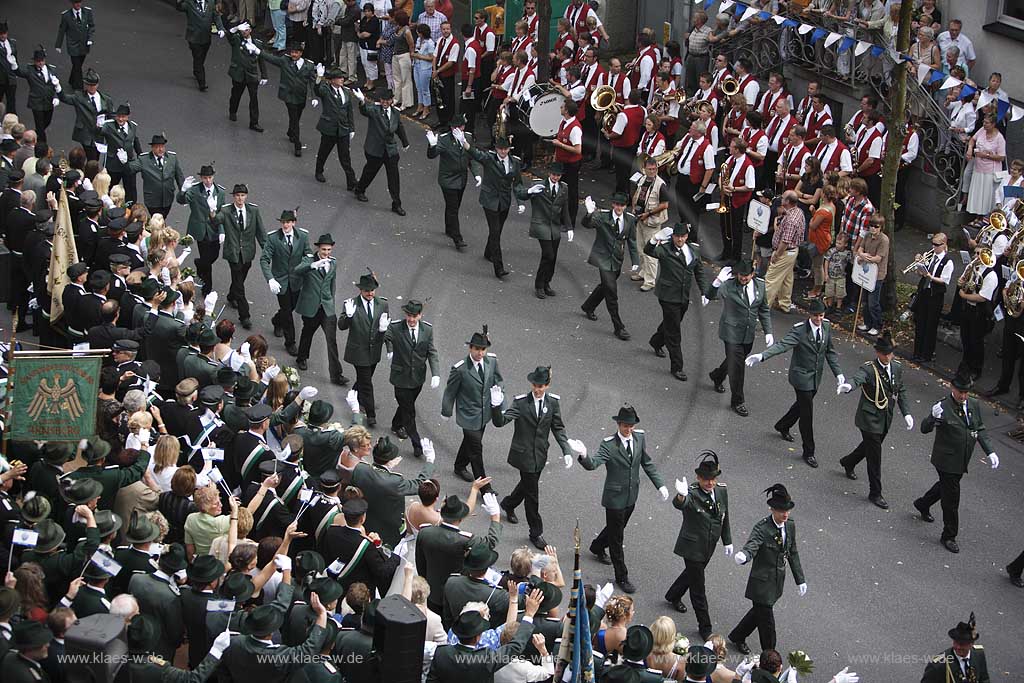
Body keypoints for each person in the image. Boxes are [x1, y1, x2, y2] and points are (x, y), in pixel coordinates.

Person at [576, 404, 668, 593]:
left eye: (631, 425)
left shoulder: (639, 438)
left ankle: (597, 546)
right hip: (614, 499)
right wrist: (584, 455)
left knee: (617, 527)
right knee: (617, 538)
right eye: (625, 425)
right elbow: (593, 464)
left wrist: (660, 484)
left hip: (631, 495)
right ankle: (622, 576)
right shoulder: (609, 445)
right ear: (618, 424)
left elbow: (646, 463)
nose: (628, 429)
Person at [746, 299, 844, 468]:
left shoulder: (827, 326)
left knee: (801, 405)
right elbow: (783, 346)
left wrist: (839, 374)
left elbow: (830, 351)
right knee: (807, 414)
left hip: (815, 377)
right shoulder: (800, 331)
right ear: (809, 314)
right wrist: (762, 356)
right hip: (801, 378)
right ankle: (809, 451)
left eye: (821, 315)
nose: (819, 319)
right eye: (815, 316)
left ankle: (783, 425)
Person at [914, 374, 999, 554]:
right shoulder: (943, 406)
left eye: (966, 392)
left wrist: (990, 451)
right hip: (946, 460)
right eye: (960, 391)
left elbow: (979, 428)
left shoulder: (973, 404)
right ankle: (949, 535)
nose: (963, 395)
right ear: (952, 388)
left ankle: (923, 503)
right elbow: (924, 428)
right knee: (952, 498)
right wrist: (932, 417)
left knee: (946, 487)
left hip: (962, 459)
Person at [489, 366, 572, 550]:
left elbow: (558, 427)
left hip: (540, 454)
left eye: (541, 385)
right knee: (532, 494)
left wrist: (566, 449)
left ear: (547, 386)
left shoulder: (553, 403)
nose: (537, 389)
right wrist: (496, 407)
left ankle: (508, 504)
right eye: (535, 385)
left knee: (527, 486)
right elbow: (500, 422)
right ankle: (536, 532)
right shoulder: (520, 403)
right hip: (524, 456)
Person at [728, 484, 806, 655]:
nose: (785, 514)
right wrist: (745, 555)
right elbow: (753, 544)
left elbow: (793, 552)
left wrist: (800, 579)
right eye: (781, 510)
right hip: (761, 584)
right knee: (767, 623)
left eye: (787, 510)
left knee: (758, 613)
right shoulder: (762, 528)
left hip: (776, 582)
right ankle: (770, 656)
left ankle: (737, 636)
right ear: (771, 509)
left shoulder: (790, 525)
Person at [837, 332, 912, 510]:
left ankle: (849, 461)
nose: (888, 357)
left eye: (890, 353)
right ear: (877, 353)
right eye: (884, 354)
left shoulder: (897, 367)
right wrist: (849, 386)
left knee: (870, 447)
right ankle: (875, 492)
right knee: (875, 456)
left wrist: (907, 413)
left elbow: (900, 390)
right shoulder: (869, 369)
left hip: (885, 417)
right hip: (869, 418)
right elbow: (858, 379)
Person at [664, 451, 731, 641]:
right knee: (698, 587)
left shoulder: (721, 491)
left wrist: (727, 540)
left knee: (693, 575)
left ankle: (673, 595)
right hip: (692, 547)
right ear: (698, 478)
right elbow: (681, 504)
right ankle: (705, 627)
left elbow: (724, 517)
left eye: (713, 479)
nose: (710, 483)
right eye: (706, 479)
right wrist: (680, 495)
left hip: (709, 545)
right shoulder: (692, 493)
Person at [427, 586, 542, 682]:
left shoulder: (440, 653)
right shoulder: (485, 659)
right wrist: (529, 615)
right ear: (478, 637)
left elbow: (431, 680)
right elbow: (515, 646)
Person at [706, 260, 774, 417]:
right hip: (731, 332)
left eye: (746, 275)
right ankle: (738, 401)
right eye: (741, 275)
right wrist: (717, 281)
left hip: (747, 333)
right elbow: (710, 295)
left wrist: (768, 331)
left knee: (734, 360)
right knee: (738, 367)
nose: (743, 278)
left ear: (752, 274)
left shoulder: (760, 285)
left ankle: (717, 375)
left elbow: (763, 309)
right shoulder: (729, 286)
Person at [645, 223, 708, 381]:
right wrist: (654, 239)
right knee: (674, 331)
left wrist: (705, 292)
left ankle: (656, 341)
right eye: (677, 236)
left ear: (687, 237)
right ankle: (677, 366)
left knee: (671, 322)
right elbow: (649, 251)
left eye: (682, 236)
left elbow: (699, 271)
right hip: (667, 296)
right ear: (672, 236)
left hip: (683, 296)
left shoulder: (694, 249)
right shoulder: (665, 249)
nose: (679, 239)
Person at [442, 326, 502, 481]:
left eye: (483, 349)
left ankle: (459, 466)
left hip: (484, 414)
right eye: (477, 349)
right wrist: (446, 411)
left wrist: (498, 394)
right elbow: (450, 391)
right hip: (467, 416)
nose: (480, 353)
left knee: (470, 443)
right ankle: (484, 487)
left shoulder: (491, 362)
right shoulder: (460, 369)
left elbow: (498, 380)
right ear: (470, 348)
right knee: (476, 450)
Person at [580, 192, 640, 341]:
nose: (619, 207)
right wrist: (589, 213)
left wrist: (636, 261)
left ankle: (588, 306)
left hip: (617, 259)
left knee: (605, 287)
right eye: (617, 204)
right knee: (611, 293)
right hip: (602, 258)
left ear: (625, 206)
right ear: (613, 204)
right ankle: (619, 327)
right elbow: (587, 224)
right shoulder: (602, 216)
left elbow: (632, 241)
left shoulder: (630, 220)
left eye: (622, 205)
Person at [384, 299, 440, 455]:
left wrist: (435, 373)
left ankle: (396, 424)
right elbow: (384, 337)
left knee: (406, 404)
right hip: (400, 378)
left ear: (420, 315)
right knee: (409, 411)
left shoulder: (427, 330)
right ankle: (417, 444)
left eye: (414, 316)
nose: (411, 319)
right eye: (409, 315)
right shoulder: (396, 327)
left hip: (417, 378)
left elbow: (431, 351)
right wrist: (388, 346)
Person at [463, 135, 524, 279]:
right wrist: (465, 143)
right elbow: (476, 154)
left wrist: (521, 202)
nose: (503, 151)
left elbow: (518, 184)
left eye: (505, 149)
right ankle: (499, 268)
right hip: (490, 200)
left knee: (498, 230)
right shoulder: (490, 158)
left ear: (509, 149)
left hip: (504, 201)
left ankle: (488, 252)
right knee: (495, 232)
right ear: (496, 149)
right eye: (500, 149)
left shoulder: (514, 163)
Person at [338, 271, 390, 428]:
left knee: (364, 378)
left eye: (372, 290)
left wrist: (386, 338)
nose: (370, 293)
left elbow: (387, 325)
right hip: (359, 351)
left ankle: (353, 394)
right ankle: (371, 413)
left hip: (374, 350)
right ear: (360, 290)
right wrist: (348, 316)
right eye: (367, 291)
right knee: (367, 382)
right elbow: (341, 326)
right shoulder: (351, 304)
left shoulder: (382, 304)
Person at [295, 233, 348, 386]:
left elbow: (332, 283)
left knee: (331, 340)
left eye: (329, 249)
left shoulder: (333, 263)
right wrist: (311, 266)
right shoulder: (309, 260)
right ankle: (302, 357)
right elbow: (297, 270)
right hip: (311, 305)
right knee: (308, 332)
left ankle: (336, 375)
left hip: (326, 307)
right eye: (324, 249)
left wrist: (331, 300)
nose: (326, 253)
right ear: (318, 248)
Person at [213, 183, 266, 330]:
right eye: (237, 195)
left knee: (240, 278)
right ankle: (245, 316)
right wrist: (212, 212)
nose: (240, 198)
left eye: (242, 195)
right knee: (239, 282)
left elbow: (260, 232)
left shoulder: (253, 211)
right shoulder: (226, 210)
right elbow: (217, 220)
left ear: (246, 196)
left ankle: (231, 295)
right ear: (233, 197)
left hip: (248, 252)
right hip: (233, 252)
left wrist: (267, 251)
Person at [516, 162, 571, 299]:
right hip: (541, 224)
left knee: (553, 257)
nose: (555, 177)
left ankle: (546, 283)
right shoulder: (540, 185)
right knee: (548, 254)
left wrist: (569, 227)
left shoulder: (563, 188)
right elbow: (521, 194)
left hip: (554, 227)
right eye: (553, 174)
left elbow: (565, 209)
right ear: (549, 173)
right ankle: (539, 285)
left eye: (558, 175)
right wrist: (529, 191)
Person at [352, 87, 410, 216]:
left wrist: (405, 142)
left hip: (390, 150)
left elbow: (399, 127)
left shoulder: (395, 112)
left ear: (391, 100)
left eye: (387, 100)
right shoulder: (375, 110)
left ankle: (397, 204)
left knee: (394, 178)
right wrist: (362, 101)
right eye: (382, 99)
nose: (384, 102)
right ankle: (360, 189)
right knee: (369, 172)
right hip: (375, 149)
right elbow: (365, 110)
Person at [261, 208, 310, 357]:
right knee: (287, 310)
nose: (285, 225)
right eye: (283, 222)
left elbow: (307, 254)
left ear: (294, 223)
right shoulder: (273, 238)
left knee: (292, 306)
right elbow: (264, 259)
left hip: (296, 279)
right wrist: (270, 279)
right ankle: (290, 342)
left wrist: (308, 266)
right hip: (280, 280)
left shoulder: (302, 236)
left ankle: (277, 320)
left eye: (288, 222)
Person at [425, 113, 477, 251]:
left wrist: (477, 175)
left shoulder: (468, 138)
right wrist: (432, 145)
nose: (457, 130)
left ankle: (449, 228)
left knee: (454, 206)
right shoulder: (444, 139)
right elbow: (432, 155)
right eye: (454, 127)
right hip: (448, 180)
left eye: (459, 127)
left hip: (461, 179)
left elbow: (472, 157)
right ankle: (457, 238)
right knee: (453, 208)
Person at [261, 41, 317, 157]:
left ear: (301, 53)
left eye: (296, 52)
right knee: (295, 118)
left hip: (301, 96)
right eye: (292, 52)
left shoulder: (309, 65)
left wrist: (313, 96)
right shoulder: (284, 61)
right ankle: (297, 144)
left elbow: (312, 81)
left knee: (297, 115)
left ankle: (291, 131)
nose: (293, 55)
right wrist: (258, 52)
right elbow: (271, 59)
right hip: (289, 95)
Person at [911, 232, 954, 363]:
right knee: (920, 322)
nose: (934, 247)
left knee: (930, 325)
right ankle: (917, 352)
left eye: (937, 245)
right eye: (933, 244)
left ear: (944, 245)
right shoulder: (929, 256)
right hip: (924, 292)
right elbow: (920, 273)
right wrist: (918, 264)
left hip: (935, 295)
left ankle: (926, 354)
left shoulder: (948, 262)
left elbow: (944, 280)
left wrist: (930, 277)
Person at [312, 66, 358, 188]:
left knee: (345, 158)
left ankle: (351, 181)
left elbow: (349, 112)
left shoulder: (346, 92)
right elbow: (317, 90)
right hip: (329, 128)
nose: (342, 79)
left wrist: (351, 128)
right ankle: (319, 171)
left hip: (343, 129)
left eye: (342, 77)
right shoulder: (326, 90)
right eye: (338, 78)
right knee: (324, 152)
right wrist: (319, 77)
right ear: (332, 80)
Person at [55, 68, 111, 162]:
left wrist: (108, 127)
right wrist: (58, 87)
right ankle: (91, 173)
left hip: (99, 133)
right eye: (89, 85)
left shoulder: (105, 99)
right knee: (92, 158)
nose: (92, 87)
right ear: (86, 85)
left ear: (97, 85)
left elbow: (111, 115)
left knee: (96, 157)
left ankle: (91, 172)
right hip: (86, 133)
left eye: (94, 85)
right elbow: (65, 98)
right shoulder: (79, 97)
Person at [763, 190, 806, 313]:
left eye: (783, 198)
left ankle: (763, 308)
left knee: (771, 279)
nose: (781, 199)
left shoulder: (791, 220)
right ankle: (784, 304)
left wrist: (776, 255)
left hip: (785, 252)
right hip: (792, 251)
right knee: (787, 278)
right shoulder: (797, 212)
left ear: (787, 201)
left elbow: (785, 241)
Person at [127, 133, 184, 219]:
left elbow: (179, 176)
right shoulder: (144, 159)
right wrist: (125, 162)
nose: (160, 149)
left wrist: (183, 193)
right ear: (152, 148)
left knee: (162, 218)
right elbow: (131, 169)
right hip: (152, 200)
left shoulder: (172, 158)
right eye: (157, 147)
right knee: (157, 219)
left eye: (162, 147)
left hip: (167, 198)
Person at [225, 21, 268, 133]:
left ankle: (254, 122)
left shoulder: (257, 43)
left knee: (254, 99)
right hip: (239, 72)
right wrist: (235, 28)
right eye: (242, 30)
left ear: (250, 30)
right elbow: (228, 35)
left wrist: (264, 75)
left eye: (246, 29)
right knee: (236, 94)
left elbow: (261, 59)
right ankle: (233, 111)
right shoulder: (237, 39)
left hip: (251, 74)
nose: (244, 32)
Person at [921, 614, 990, 683]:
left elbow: (984, 679)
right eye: (955, 642)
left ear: (971, 644)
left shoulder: (978, 654)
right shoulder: (938, 665)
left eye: (962, 644)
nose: (958, 647)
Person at [176, 0, 225, 92]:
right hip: (194, 37)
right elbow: (180, 8)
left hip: (206, 37)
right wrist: (179, 1)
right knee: (198, 58)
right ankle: (202, 83)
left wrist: (221, 28)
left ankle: (196, 70)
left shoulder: (210, 3)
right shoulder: (189, 3)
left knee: (201, 57)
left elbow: (216, 16)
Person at [15, 46, 60, 143]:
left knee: (47, 122)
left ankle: (33, 135)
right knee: (40, 126)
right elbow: (19, 72)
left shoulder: (52, 70)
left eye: (42, 60)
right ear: (35, 61)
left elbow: (55, 84)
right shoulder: (30, 70)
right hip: (36, 102)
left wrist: (56, 96)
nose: (40, 63)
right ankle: (42, 146)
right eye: (38, 61)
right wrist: (14, 65)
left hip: (48, 101)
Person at [965, 115, 1006, 216]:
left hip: (990, 171)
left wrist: (986, 155)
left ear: (993, 124)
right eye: (984, 122)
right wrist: (970, 149)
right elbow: (972, 139)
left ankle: (984, 217)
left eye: (987, 123)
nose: (984, 124)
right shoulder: (982, 130)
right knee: (978, 193)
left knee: (986, 195)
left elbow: (1001, 157)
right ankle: (976, 215)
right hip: (978, 168)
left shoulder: (999, 138)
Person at [54, 0, 96, 91]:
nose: (78, 5)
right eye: (76, 3)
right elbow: (62, 31)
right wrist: (58, 45)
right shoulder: (66, 16)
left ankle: (72, 80)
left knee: (78, 64)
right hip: (73, 46)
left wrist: (90, 39)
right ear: (72, 4)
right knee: (77, 66)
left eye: (79, 2)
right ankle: (78, 88)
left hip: (84, 45)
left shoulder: (87, 12)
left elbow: (92, 26)